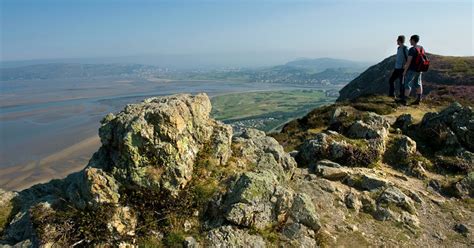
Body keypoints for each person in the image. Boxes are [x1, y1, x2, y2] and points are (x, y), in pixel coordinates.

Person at [402, 34, 423, 105]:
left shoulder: (412, 49)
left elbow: (408, 61)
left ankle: (404, 100)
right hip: (419, 70)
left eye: (410, 40)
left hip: (412, 70)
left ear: (413, 40)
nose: (409, 41)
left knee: (407, 83)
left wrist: (404, 71)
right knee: (418, 83)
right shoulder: (421, 48)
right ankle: (418, 99)